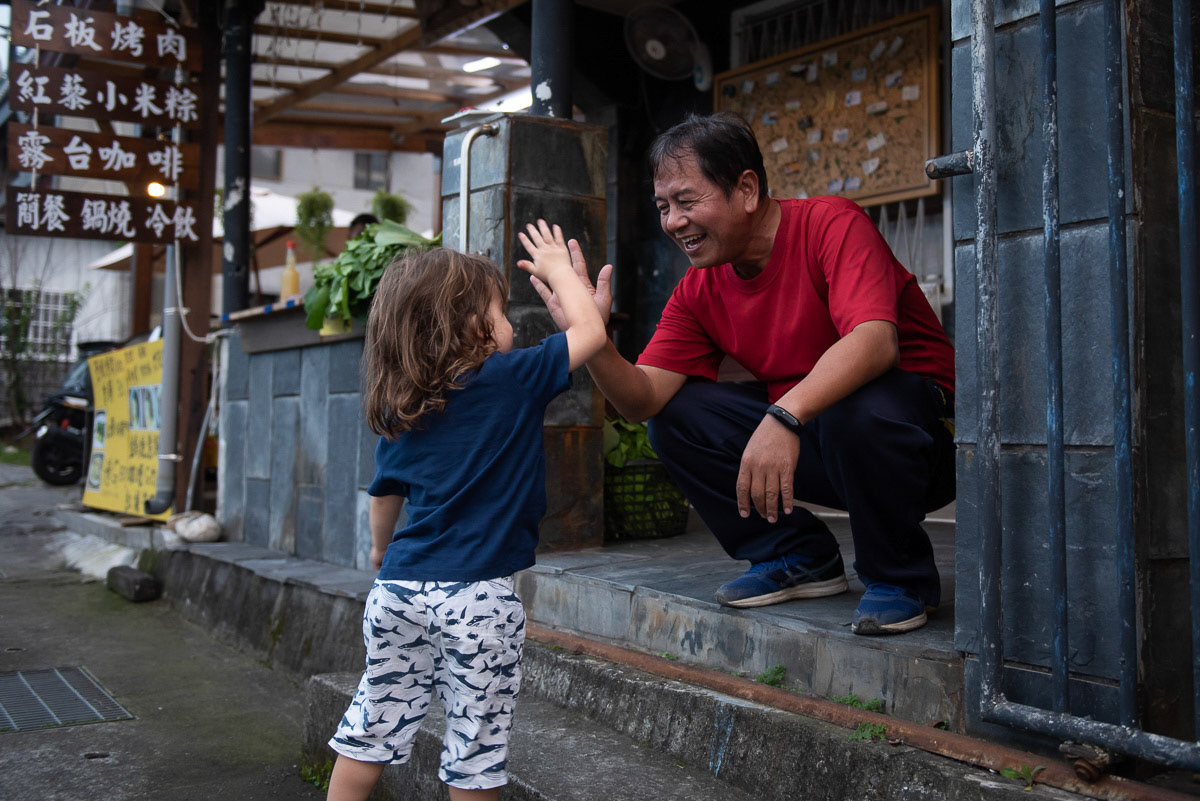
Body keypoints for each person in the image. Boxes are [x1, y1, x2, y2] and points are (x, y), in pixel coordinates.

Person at [528, 112, 955, 636]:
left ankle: (899, 578)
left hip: (925, 446)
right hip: (825, 441)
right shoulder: (699, 289)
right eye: (663, 207)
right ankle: (798, 556)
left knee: (856, 404)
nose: (673, 222)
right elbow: (641, 400)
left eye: (687, 201)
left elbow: (874, 341)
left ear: (747, 189)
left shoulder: (831, 224)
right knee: (675, 417)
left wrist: (783, 416)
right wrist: (590, 336)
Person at [325, 223, 607, 801]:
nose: (510, 325)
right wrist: (559, 272)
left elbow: (384, 495)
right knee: (474, 748)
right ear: (477, 327)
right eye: (503, 312)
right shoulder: (513, 378)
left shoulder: (405, 405)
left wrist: (380, 550)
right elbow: (590, 333)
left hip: (397, 591)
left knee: (372, 722)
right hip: (477, 598)